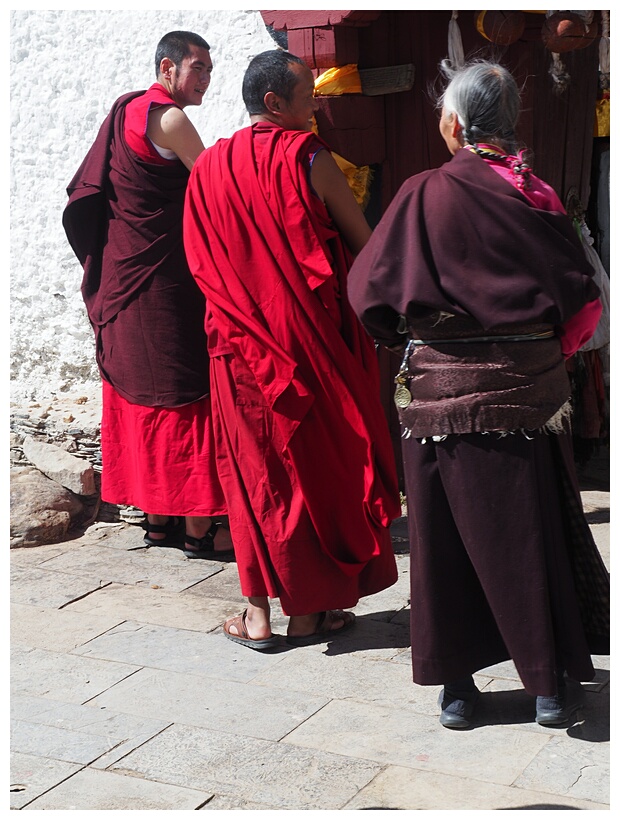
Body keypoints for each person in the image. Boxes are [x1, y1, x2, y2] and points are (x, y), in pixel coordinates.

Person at [347, 60, 610, 728]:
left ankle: (459, 692)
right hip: (528, 397)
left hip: (440, 398)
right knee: (529, 535)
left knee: (444, 544)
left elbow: (368, 293)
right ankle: (549, 688)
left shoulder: (419, 193)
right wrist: (544, 359)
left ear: (456, 123)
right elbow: (583, 302)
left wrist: (404, 339)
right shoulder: (537, 194)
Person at [183, 49, 400, 648]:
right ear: (275, 103)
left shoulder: (207, 168)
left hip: (238, 351)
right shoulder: (308, 158)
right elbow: (366, 246)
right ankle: (309, 611)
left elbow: (202, 263)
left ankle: (257, 615)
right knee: (314, 473)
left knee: (253, 476)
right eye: (309, 95)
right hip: (306, 347)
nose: (317, 105)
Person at [63, 31, 233, 559]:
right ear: (167, 67)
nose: (206, 78)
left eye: (209, 68)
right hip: (164, 284)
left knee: (141, 392)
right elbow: (215, 188)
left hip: (125, 279)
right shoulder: (172, 118)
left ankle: (158, 522)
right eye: (198, 68)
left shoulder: (127, 112)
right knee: (183, 391)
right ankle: (201, 529)